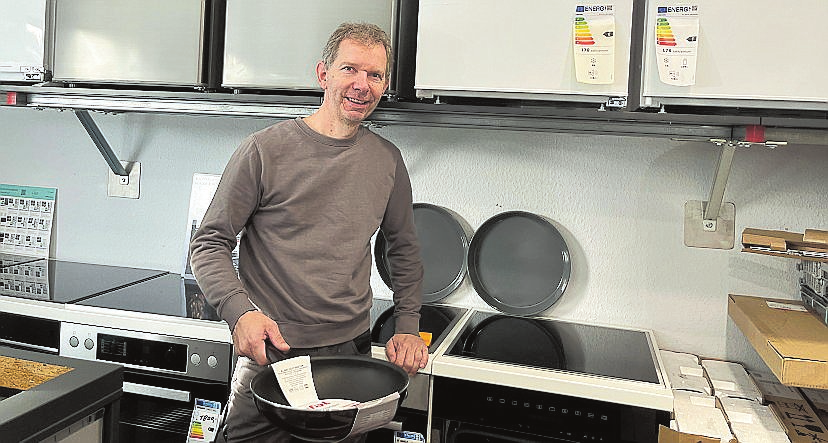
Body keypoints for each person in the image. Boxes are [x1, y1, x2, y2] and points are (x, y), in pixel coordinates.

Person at [189, 22, 428, 442]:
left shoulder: (387, 161)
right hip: (272, 351)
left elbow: (403, 249)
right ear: (323, 74)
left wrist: (407, 324)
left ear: (385, 85)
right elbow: (209, 243)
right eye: (350, 69)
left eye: (374, 75)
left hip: (351, 354)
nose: (361, 85)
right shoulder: (264, 150)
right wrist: (238, 311)